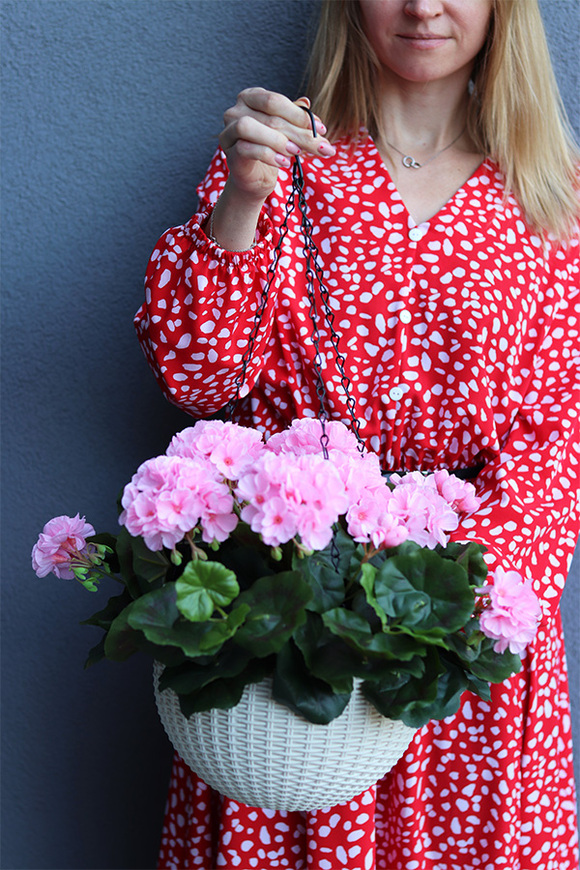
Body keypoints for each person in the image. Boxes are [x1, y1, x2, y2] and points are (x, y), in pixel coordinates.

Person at [135, 1, 580, 867]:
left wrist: (437, 611)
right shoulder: (287, 162)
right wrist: (241, 199)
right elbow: (198, 378)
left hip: (456, 646)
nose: (423, 6)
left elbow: (555, 438)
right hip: (290, 637)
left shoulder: (550, 190)